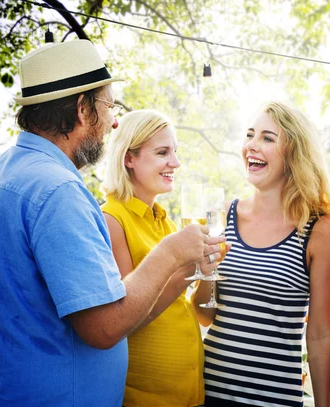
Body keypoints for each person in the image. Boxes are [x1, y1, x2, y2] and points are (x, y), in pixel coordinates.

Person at [0, 40, 221, 406]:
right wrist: (170, 253)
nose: (114, 121)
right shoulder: (59, 189)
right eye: (108, 105)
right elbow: (103, 327)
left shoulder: (0, 173)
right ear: (83, 110)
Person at [192, 101, 330, 406]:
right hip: (209, 393)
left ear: (294, 153)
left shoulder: (320, 230)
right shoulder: (222, 215)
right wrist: (206, 274)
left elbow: (320, 333)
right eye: (250, 135)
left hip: (277, 399)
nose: (251, 146)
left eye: (267, 138)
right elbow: (204, 314)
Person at [101, 109, 215, 406]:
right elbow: (124, 318)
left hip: (190, 392)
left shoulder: (165, 222)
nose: (175, 163)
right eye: (163, 152)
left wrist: (207, 273)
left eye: (175, 152)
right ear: (129, 158)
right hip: (146, 397)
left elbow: (193, 308)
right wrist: (183, 268)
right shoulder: (112, 220)